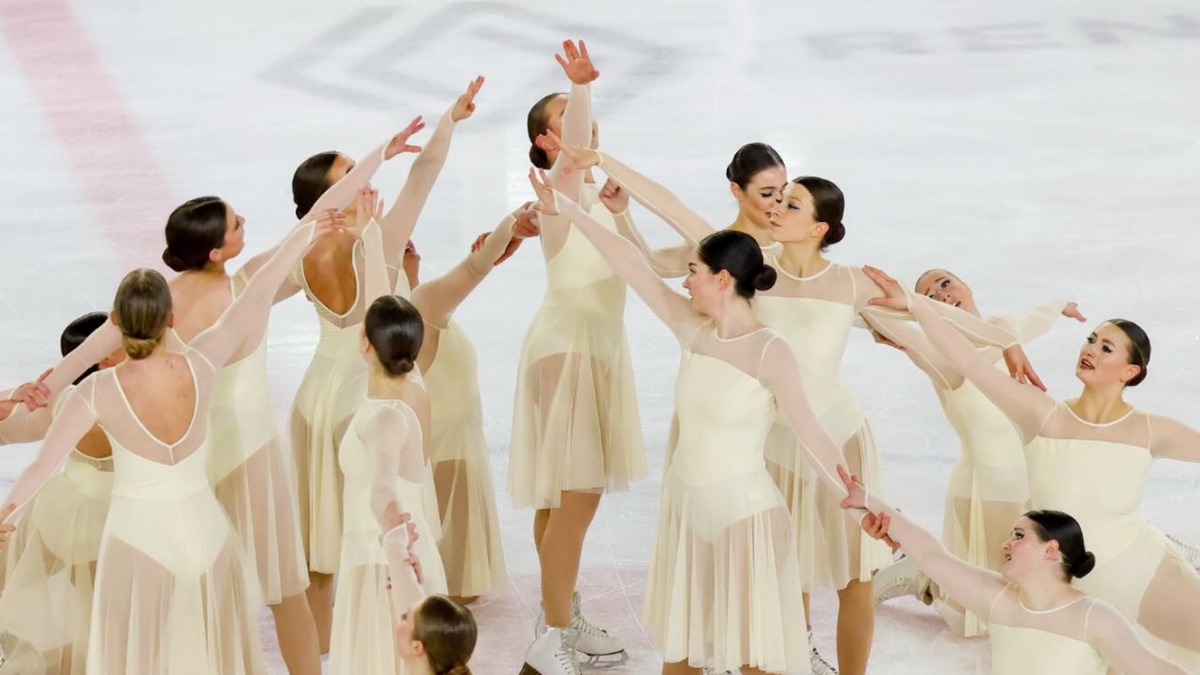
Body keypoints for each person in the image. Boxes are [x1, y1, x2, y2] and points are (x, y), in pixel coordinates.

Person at [528, 169, 864, 675]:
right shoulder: (693, 329)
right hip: (689, 519)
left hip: (746, 523)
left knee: (754, 663)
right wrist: (571, 209)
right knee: (680, 660)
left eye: (693, 271)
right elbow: (629, 262)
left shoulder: (770, 351)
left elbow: (811, 433)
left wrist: (859, 500)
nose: (685, 282)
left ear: (722, 279)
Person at [2, 209, 345, 674]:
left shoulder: (95, 392)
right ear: (172, 319)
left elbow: (42, 466)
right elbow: (259, 290)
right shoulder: (203, 364)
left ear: (116, 323)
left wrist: (9, 512)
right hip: (205, 535)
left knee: (138, 656)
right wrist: (305, 235)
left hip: (138, 541)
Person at [864, 265, 1200, 670]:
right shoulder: (1042, 416)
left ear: (1130, 371)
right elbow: (969, 362)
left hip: (1139, 567)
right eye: (1091, 339)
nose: (1091, 349)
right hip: (1065, 586)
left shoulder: (1149, 429)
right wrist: (916, 306)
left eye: (1106, 347)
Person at [288, 78, 483, 648]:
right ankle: (373, 642)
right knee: (376, 527)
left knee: (321, 533)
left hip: (315, 397)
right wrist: (448, 122)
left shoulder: (300, 247)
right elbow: (423, 178)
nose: (365, 179)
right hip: (364, 395)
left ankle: (327, 647)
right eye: (352, 175)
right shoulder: (380, 236)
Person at [862, 269, 1085, 636]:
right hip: (984, 483)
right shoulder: (938, 354)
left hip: (1030, 476)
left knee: (1034, 577)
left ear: (965, 284)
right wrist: (899, 313)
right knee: (984, 595)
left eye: (945, 283)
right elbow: (879, 318)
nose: (943, 296)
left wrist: (1059, 306)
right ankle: (920, 574)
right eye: (930, 296)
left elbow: (1031, 320)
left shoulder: (1001, 329)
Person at [512, 40, 642, 669]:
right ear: (547, 143)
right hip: (567, 350)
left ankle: (555, 615)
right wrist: (583, 87)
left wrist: (623, 212)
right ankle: (556, 634)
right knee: (576, 496)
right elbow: (575, 154)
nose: (583, 124)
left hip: (590, 349)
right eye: (565, 118)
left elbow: (642, 268)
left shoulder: (595, 195)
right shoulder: (559, 190)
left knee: (558, 497)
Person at [837, 466, 1188, 675]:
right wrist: (868, 500)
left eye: (1019, 536)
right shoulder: (1000, 601)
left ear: (1051, 549)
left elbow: (1154, 669)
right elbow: (933, 556)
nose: (1005, 544)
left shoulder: (1093, 618)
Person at [0, 312, 123, 674]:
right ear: (104, 355)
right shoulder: (142, 398)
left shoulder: (67, 402)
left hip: (60, 516)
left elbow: (9, 432)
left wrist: (16, 400)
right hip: (116, 525)